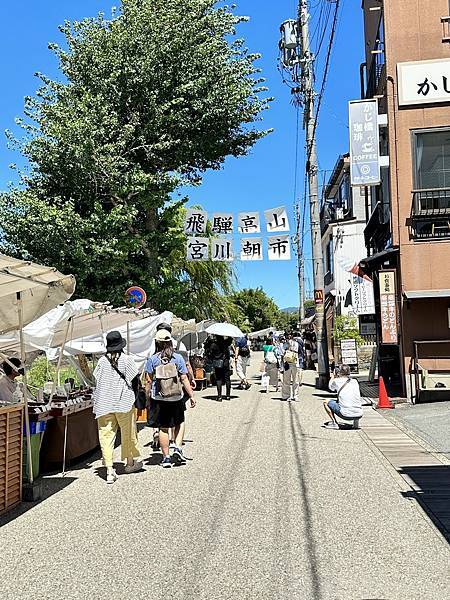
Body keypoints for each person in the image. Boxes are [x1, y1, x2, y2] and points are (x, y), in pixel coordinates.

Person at [93, 331, 143, 484]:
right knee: (128, 433)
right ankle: (129, 464)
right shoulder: (127, 360)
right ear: (121, 345)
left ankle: (109, 470)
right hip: (123, 402)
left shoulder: (101, 361)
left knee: (106, 436)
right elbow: (135, 381)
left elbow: (97, 380)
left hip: (104, 404)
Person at [145, 329, 196, 468]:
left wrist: (148, 398)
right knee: (180, 422)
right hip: (176, 397)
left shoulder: (152, 359)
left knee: (163, 428)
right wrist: (191, 395)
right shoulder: (178, 358)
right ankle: (178, 448)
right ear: (170, 342)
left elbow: (148, 381)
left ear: (157, 342)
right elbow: (184, 378)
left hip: (159, 398)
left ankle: (166, 458)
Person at [323, 364, 363, 430]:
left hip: (345, 414)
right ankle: (356, 424)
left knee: (326, 402)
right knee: (353, 398)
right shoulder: (355, 381)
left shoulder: (336, 381)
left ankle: (334, 423)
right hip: (359, 414)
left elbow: (331, 388)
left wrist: (333, 377)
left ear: (339, 372)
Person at [205, 335, 233, 401]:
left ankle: (219, 396)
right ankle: (228, 396)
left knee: (219, 379)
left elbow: (210, 354)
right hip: (225, 363)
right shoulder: (226, 343)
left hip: (217, 363)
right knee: (227, 379)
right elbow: (230, 339)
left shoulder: (213, 345)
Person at [281, 333, 304, 401]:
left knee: (286, 381)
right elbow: (300, 353)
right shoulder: (297, 344)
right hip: (295, 363)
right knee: (295, 381)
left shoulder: (285, 344)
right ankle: (295, 396)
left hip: (287, 364)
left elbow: (282, 354)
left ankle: (286, 396)